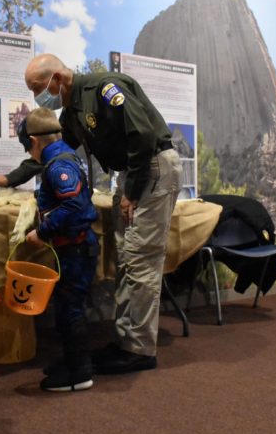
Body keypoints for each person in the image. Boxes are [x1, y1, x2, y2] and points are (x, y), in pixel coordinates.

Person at [24, 53, 182, 374]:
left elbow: (144, 136)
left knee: (140, 260)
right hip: (130, 173)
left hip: (150, 167)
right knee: (126, 258)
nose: (36, 96)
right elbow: (59, 152)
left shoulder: (105, 88)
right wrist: (13, 178)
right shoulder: (71, 113)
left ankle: (139, 351)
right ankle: (128, 341)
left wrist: (133, 192)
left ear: (56, 78)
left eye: (37, 87)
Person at [20, 107, 99, 392]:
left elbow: (74, 205)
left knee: (70, 310)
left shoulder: (57, 166)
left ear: (34, 141)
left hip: (75, 248)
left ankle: (79, 373)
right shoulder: (63, 156)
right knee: (66, 308)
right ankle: (70, 360)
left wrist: (43, 231)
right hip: (75, 247)